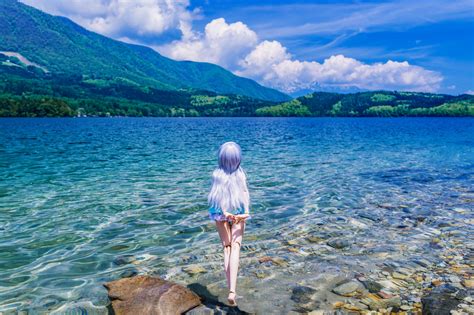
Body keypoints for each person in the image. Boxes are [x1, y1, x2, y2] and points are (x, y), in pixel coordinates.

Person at [208, 141, 250, 306]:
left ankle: (230, 289)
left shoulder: (217, 175)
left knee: (227, 248)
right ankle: (233, 290)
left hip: (220, 214)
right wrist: (245, 214)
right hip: (239, 213)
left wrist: (225, 212)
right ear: (238, 159)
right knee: (236, 247)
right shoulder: (241, 174)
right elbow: (245, 194)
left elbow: (217, 197)